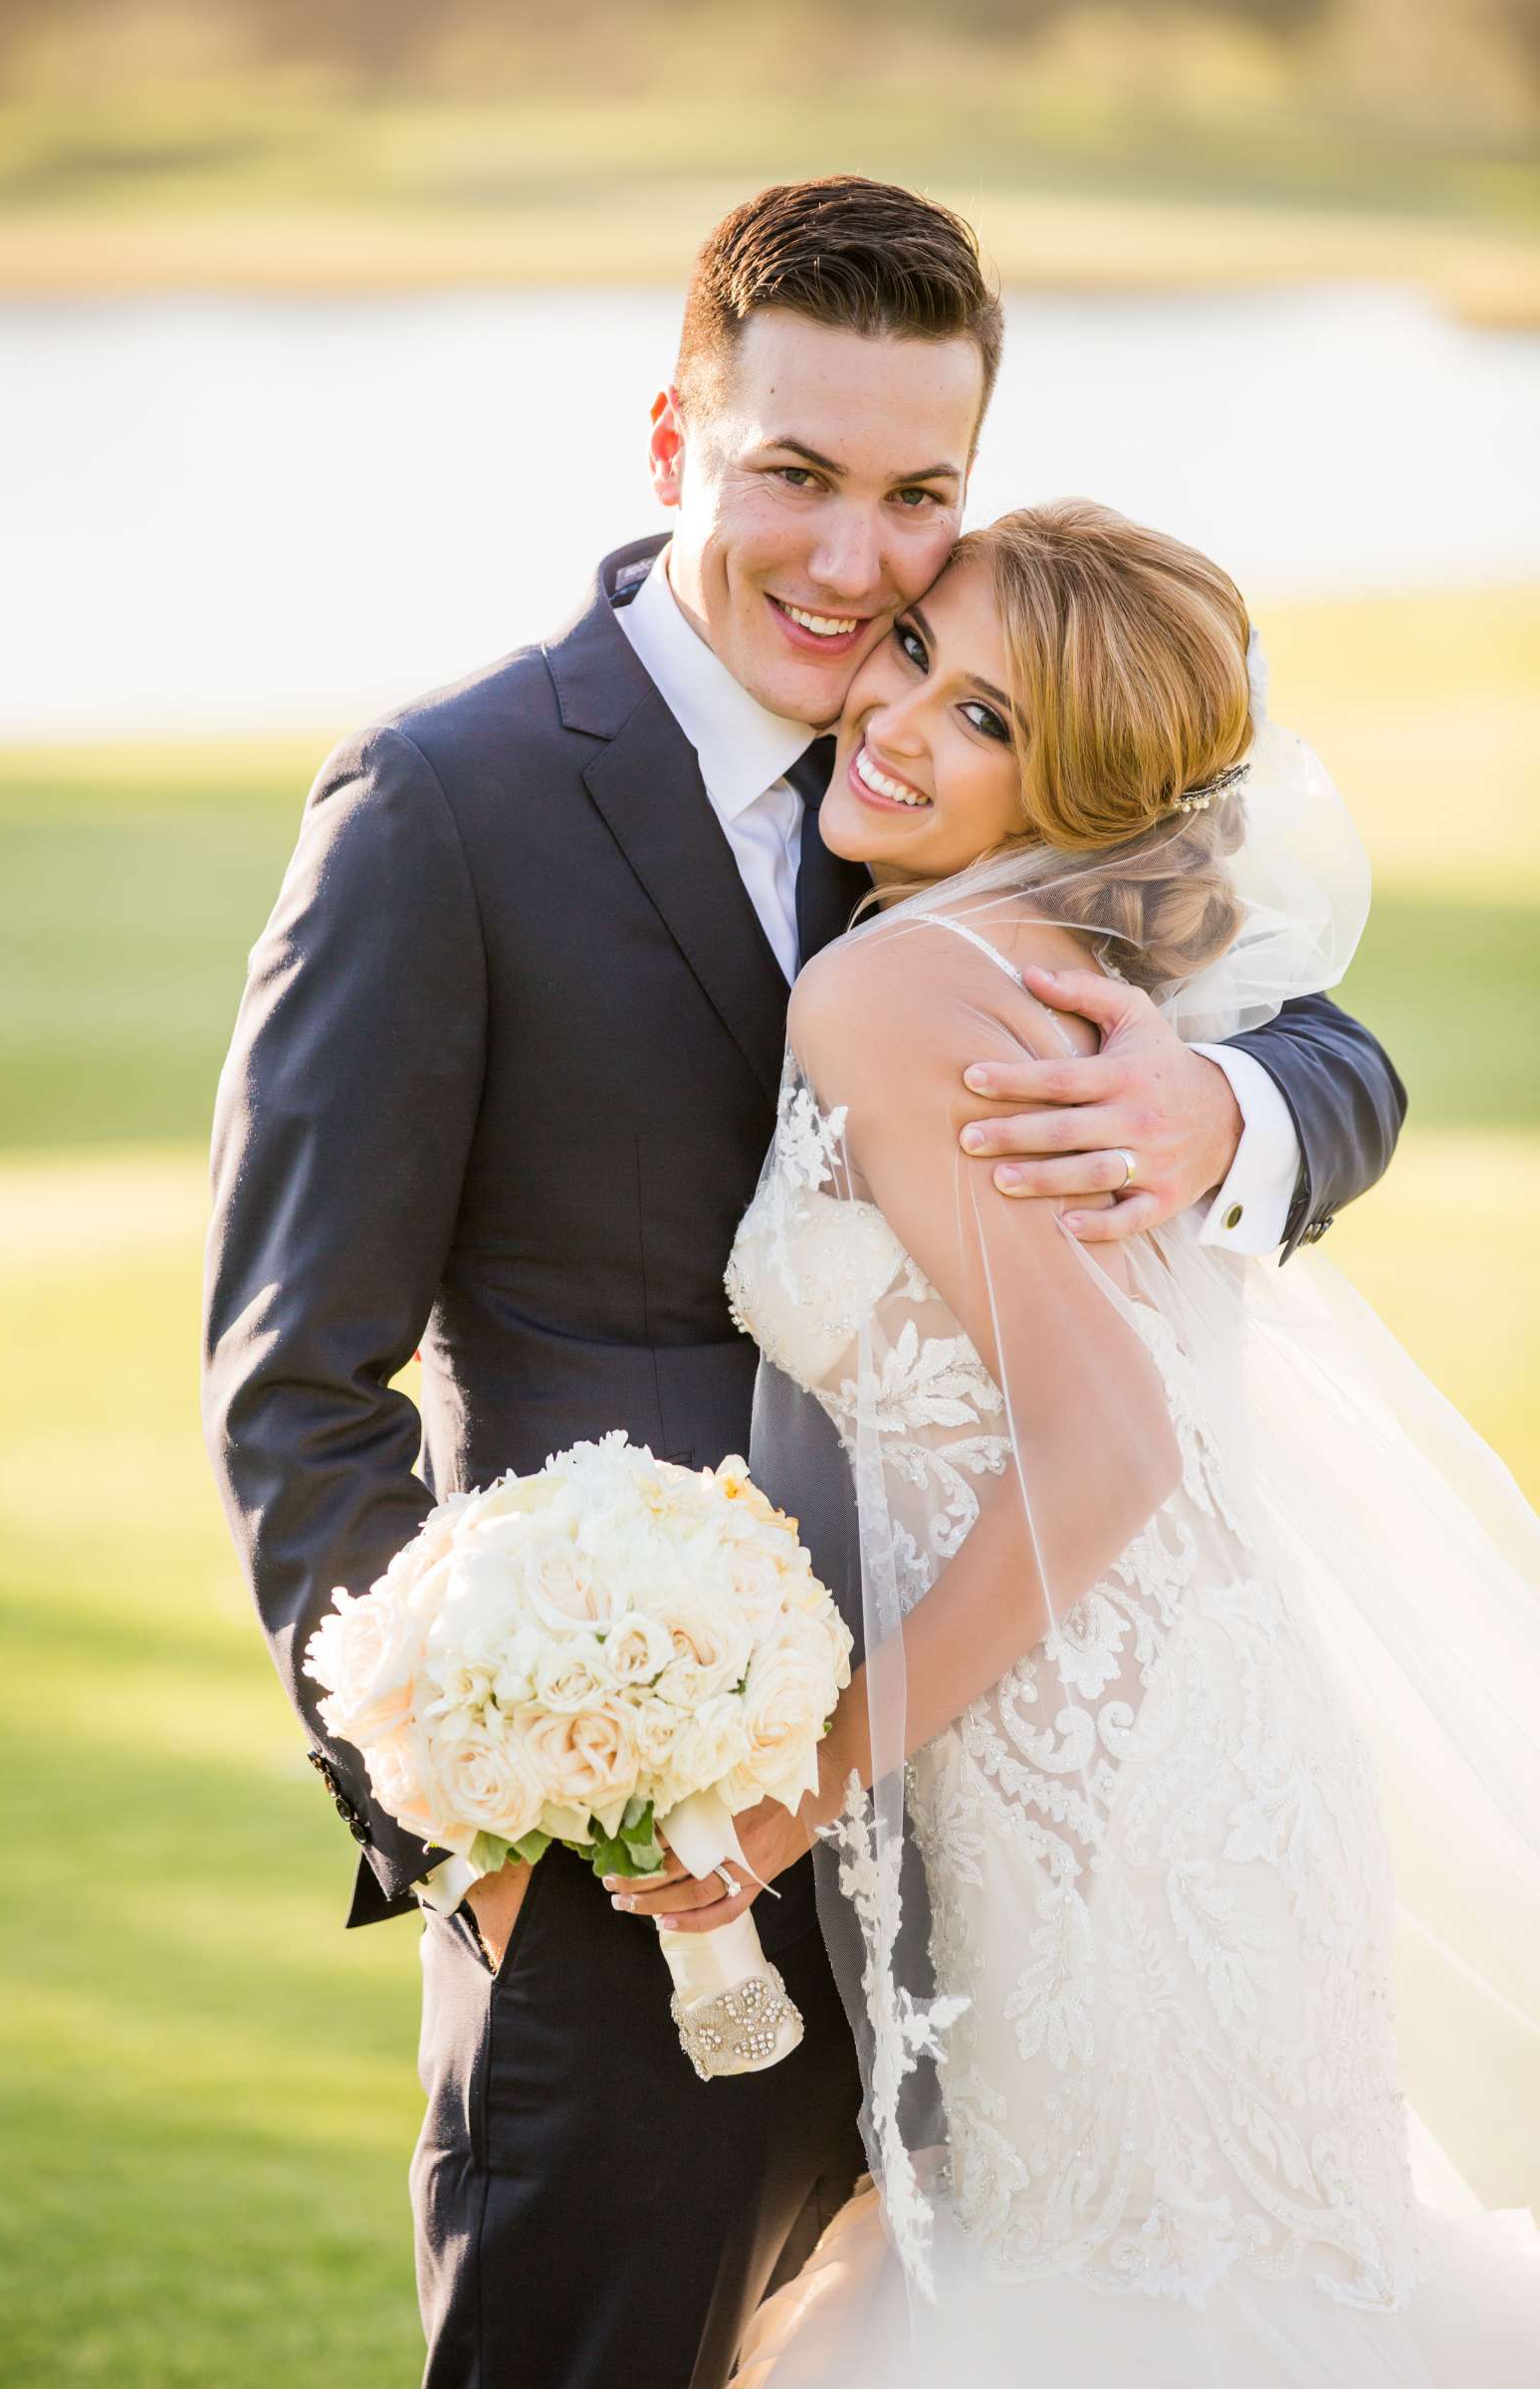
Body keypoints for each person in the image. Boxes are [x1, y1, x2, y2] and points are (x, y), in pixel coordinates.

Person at [202, 181, 1406, 2389]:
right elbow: (295, 1379)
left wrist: (1228, 1112)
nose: (855, 569)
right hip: (639, 1858)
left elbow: (1306, 1012)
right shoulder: (441, 803)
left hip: (1028, 1835)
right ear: (674, 439)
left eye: (914, 496)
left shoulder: (991, 758)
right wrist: (460, 1818)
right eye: (792, 477)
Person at [613, 500, 1540, 2383]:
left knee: (1142, 2293)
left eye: (992, 727)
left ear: (1088, 794)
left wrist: (800, 1781)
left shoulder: (891, 985)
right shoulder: (1002, 962)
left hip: (1110, 1789)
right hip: (1154, 1735)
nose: (901, 723)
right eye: (915, 659)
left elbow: (1103, 1452)